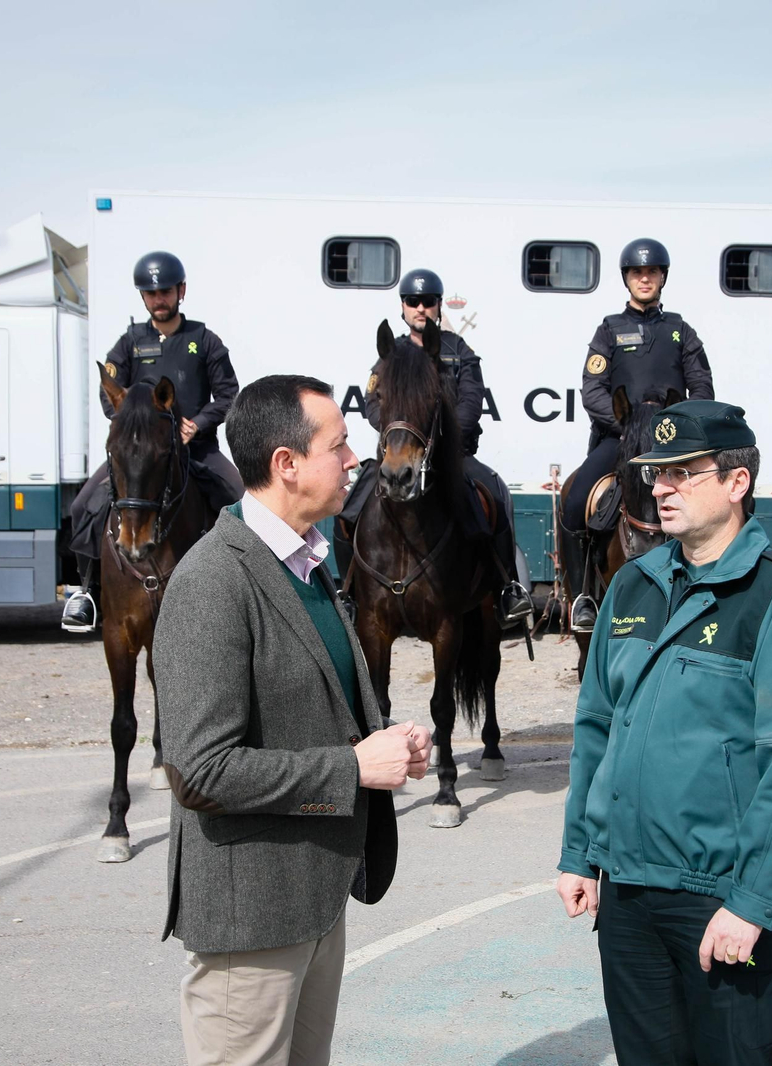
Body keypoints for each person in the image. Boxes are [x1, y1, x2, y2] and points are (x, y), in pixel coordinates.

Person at [556, 399, 772, 1066]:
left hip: (720, 902)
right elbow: (596, 724)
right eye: (656, 474)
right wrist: (580, 852)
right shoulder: (632, 586)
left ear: (736, 483)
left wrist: (751, 903)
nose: (659, 488)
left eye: (682, 473)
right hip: (627, 897)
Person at [154, 374, 433, 1066]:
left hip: (315, 895)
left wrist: (383, 739)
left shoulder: (308, 563)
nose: (354, 461)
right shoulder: (213, 581)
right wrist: (353, 768)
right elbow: (200, 770)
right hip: (253, 917)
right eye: (338, 447)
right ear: (286, 465)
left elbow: (317, 702)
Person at [333, 267, 532, 627]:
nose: (420, 308)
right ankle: (348, 593)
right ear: (403, 307)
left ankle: (507, 589)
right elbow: (372, 401)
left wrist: (447, 436)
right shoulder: (390, 354)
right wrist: (398, 431)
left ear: (439, 306)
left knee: (497, 496)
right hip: (400, 451)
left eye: (428, 302)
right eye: (413, 301)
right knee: (348, 509)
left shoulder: (460, 352)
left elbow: (472, 402)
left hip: (453, 456)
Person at [61, 251, 244, 632]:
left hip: (197, 448)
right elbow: (108, 393)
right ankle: (87, 591)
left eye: (165, 291)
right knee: (82, 507)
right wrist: (134, 431)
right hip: (139, 454)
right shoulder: (128, 343)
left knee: (242, 500)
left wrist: (198, 423)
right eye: (150, 293)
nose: (158, 299)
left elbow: (229, 394)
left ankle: (248, 591)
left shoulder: (205, 341)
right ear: (142, 297)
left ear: (181, 291)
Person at [559, 238, 715, 630]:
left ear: (662, 277)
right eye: (636, 273)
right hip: (620, 439)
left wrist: (679, 429)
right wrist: (627, 427)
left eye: (651, 272)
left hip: (671, 445)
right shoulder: (609, 330)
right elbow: (592, 387)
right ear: (627, 279)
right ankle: (582, 597)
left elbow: (703, 388)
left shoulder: (682, 331)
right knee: (577, 499)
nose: (644, 279)